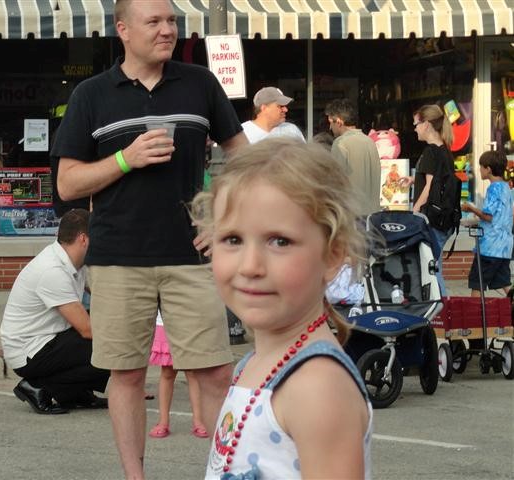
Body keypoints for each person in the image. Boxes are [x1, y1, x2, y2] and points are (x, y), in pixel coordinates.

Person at [50, 1, 247, 476]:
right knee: (127, 373)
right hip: (118, 257)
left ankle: (227, 471)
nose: (167, 31)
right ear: (123, 30)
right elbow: (67, 184)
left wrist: (225, 220)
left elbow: (243, 156)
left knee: (215, 370)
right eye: (154, 22)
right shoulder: (92, 94)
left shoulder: (199, 83)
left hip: (190, 256)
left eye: (172, 22)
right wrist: (125, 159)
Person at [191, 138, 372, 479]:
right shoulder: (256, 362)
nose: (250, 266)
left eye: (279, 241)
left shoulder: (317, 386)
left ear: (333, 254)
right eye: (233, 239)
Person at [1, 208, 110, 414]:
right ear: (83, 239)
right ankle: (38, 387)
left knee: (109, 337)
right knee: (111, 345)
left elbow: (103, 293)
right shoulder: (53, 270)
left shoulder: (74, 263)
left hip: (48, 338)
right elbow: (87, 330)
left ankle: (75, 393)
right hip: (28, 350)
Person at [404, 104, 457, 295]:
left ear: (426, 124)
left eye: (416, 124)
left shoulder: (429, 152)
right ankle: (442, 310)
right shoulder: (444, 150)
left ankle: (441, 311)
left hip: (431, 219)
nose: (415, 128)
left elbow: (429, 186)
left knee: (432, 269)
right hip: (444, 219)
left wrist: (415, 211)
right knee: (435, 265)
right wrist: (412, 180)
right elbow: (436, 179)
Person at [147, 311, 208, 439]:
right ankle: (163, 421)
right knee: (167, 372)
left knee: (192, 372)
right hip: (165, 322)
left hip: (190, 321)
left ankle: (199, 421)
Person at [461, 150, 513, 296]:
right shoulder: (506, 187)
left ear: (488, 168)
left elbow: (488, 216)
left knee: (477, 284)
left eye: (481, 166)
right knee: (504, 283)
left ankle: (475, 317)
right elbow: (503, 216)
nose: (479, 170)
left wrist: (470, 207)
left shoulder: (493, 188)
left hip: (489, 248)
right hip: (504, 247)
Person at [325, 99, 382, 216]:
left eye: (331, 122)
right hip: (372, 216)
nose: (330, 127)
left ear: (339, 121)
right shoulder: (369, 141)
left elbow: (335, 183)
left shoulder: (341, 143)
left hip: (350, 215)